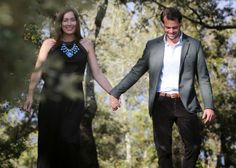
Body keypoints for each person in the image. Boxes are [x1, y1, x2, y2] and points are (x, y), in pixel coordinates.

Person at [109, 7, 215, 168]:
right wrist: (115, 92)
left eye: (175, 27)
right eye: (168, 27)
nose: (171, 31)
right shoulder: (153, 46)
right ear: (163, 25)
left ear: (180, 24)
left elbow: (203, 77)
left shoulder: (193, 45)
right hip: (161, 103)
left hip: (185, 102)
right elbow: (136, 72)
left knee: (193, 146)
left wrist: (209, 106)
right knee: (163, 150)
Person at [23, 8, 112, 168]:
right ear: (60, 23)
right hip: (50, 100)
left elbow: (97, 73)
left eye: (72, 20)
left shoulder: (86, 44)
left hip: (74, 101)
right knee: (48, 144)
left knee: (69, 141)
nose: (69, 23)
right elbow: (37, 72)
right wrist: (30, 94)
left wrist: (113, 93)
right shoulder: (49, 44)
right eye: (65, 20)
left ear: (77, 22)